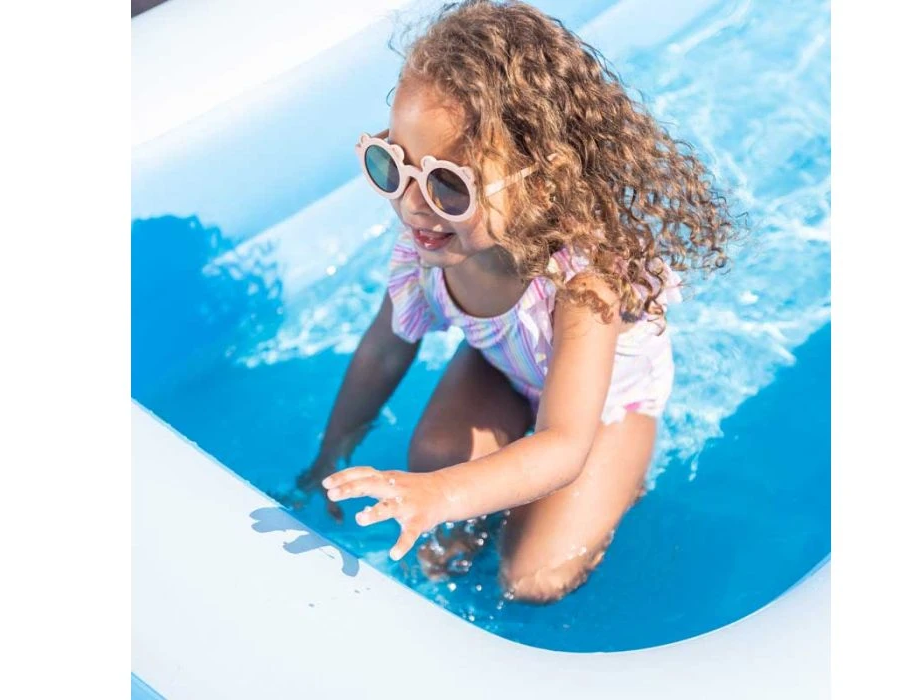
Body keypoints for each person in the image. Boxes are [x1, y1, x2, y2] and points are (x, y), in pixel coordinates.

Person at [295, 0, 735, 604]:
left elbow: (565, 443)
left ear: (542, 183)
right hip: (506, 366)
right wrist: (331, 454)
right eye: (392, 164)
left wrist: (443, 496)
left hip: (604, 409)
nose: (412, 206)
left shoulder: (584, 283)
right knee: (434, 456)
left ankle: (619, 481)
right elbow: (382, 353)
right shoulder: (426, 248)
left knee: (532, 577)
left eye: (448, 185)